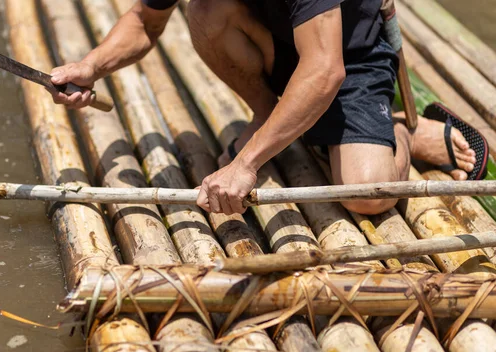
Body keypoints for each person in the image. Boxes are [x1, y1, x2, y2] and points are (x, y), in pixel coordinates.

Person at [48, 0, 479, 216]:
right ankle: (266, 112)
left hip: (348, 61)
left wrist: (246, 163)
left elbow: (325, 70)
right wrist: (90, 66)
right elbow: (145, 21)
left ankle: (402, 131)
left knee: (365, 195)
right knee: (207, 8)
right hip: (279, 47)